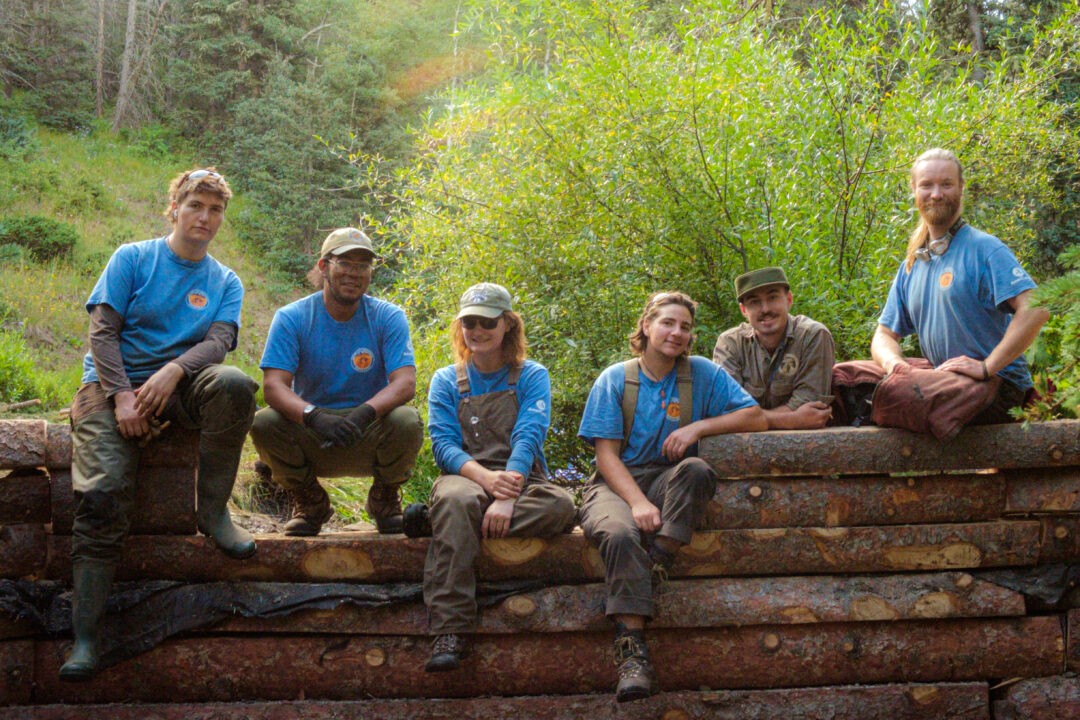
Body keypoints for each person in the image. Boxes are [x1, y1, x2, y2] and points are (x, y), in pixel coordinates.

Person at [61, 168, 259, 681]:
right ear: (174, 209)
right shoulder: (133, 258)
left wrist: (173, 371)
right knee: (102, 494)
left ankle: (212, 512)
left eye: (215, 210)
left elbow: (218, 342)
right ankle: (85, 638)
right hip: (111, 386)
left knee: (235, 384)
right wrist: (122, 397)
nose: (205, 217)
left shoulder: (225, 281)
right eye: (195, 205)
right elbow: (102, 332)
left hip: (180, 388)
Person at [577, 291, 767, 702]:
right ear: (646, 326)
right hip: (614, 483)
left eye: (685, 326)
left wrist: (698, 428)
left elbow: (754, 416)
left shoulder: (701, 374)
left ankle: (657, 561)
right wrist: (638, 503)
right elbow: (606, 457)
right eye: (667, 323)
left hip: (668, 480)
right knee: (620, 533)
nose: (677, 333)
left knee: (696, 470)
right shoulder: (616, 379)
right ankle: (632, 655)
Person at [421, 283, 576, 672]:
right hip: (464, 475)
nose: (477, 330)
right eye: (469, 322)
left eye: (487, 322)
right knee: (457, 500)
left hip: (521, 477)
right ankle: (451, 629)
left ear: (508, 324)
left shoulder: (531, 375)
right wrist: (486, 481)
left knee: (561, 506)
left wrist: (506, 494)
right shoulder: (446, 380)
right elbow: (443, 445)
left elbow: (529, 435)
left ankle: (444, 523)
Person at [251, 228, 423, 536]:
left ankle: (384, 500)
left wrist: (365, 413)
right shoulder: (292, 317)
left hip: (367, 430)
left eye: (362, 265)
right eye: (344, 263)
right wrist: (313, 416)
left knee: (407, 420)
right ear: (323, 267)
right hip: (313, 433)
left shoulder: (388, 316)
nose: (353, 273)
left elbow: (405, 383)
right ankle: (310, 502)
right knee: (263, 422)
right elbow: (274, 386)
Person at [871, 148, 1050, 424]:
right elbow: (883, 335)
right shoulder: (913, 264)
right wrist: (896, 366)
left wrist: (987, 366)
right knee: (847, 376)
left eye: (946, 184)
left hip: (997, 387)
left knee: (897, 394)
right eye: (927, 185)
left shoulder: (984, 249)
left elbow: (1036, 308)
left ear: (961, 188)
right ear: (914, 189)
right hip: (945, 380)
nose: (936, 194)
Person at [713, 267, 834, 429]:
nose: (765, 309)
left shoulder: (812, 336)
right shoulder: (730, 343)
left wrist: (747, 419)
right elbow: (726, 408)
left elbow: (811, 406)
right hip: (743, 442)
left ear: (788, 300)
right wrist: (792, 420)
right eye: (754, 302)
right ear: (743, 310)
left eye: (772, 298)